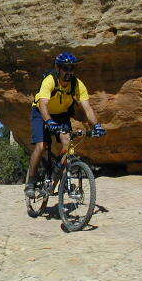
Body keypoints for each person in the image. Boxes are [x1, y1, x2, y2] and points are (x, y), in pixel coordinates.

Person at [25, 52, 106, 198]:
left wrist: (96, 126)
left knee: (67, 145)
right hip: (41, 112)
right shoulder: (50, 81)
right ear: (58, 68)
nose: (69, 72)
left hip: (62, 114)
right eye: (65, 68)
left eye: (72, 68)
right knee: (42, 145)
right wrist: (49, 121)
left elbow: (87, 108)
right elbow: (43, 104)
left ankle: (55, 184)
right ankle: (31, 182)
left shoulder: (77, 84)